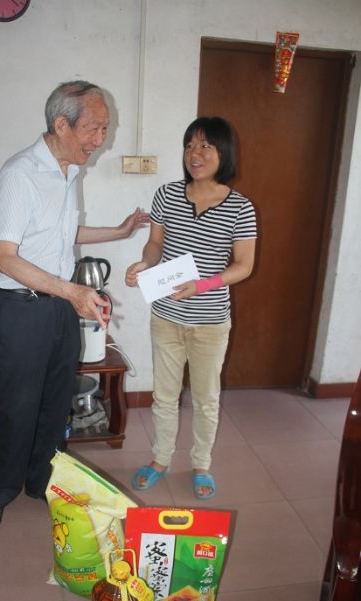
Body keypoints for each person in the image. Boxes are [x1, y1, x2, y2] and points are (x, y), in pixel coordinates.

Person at [0, 80, 149, 532]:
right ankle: (0, 491)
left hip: (58, 309)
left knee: (56, 403)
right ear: (61, 124)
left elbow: (61, 235)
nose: (101, 140)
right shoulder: (20, 173)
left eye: (105, 129)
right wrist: (73, 292)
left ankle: (41, 482)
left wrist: (120, 231)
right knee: (17, 406)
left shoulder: (69, 172)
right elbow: (8, 258)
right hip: (22, 310)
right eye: (94, 128)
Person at [125, 116, 257, 499]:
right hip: (166, 316)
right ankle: (160, 459)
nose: (194, 154)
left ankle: (201, 464)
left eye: (205, 146)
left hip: (210, 322)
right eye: (189, 146)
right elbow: (155, 244)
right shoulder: (167, 195)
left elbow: (244, 266)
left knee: (206, 399)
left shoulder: (241, 208)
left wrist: (202, 285)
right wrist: (144, 263)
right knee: (164, 396)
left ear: (223, 153)